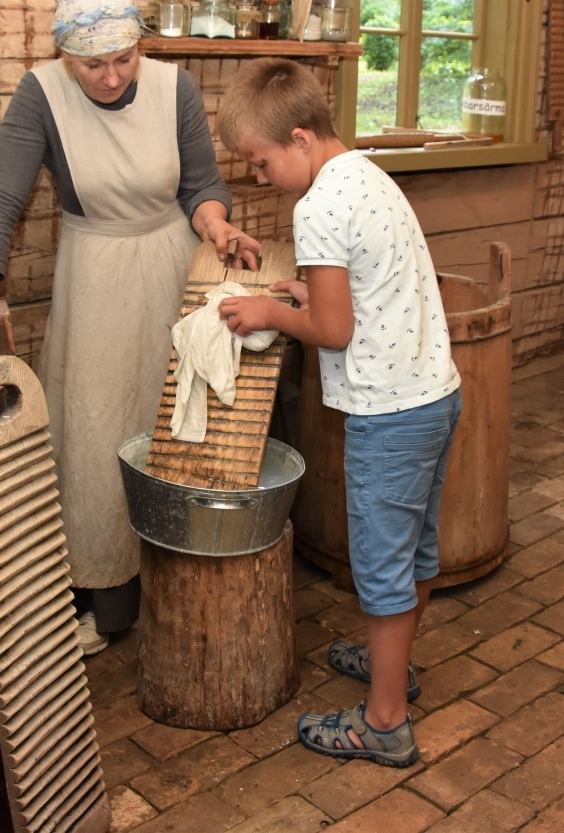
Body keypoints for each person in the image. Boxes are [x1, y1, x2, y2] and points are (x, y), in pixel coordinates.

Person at [0, 0, 260, 655]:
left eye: (123, 58)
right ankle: (107, 596)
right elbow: (0, 200)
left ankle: (178, 574)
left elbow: (200, 186)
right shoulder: (39, 95)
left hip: (172, 264)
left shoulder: (175, 88)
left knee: (174, 423)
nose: (110, 77)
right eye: (92, 64)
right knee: (99, 435)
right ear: (64, 56)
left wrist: (217, 228)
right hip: (96, 274)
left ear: (141, 44)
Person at [216, 58, 461, 767]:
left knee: (381, 567)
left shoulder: (318, 205)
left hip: (388, 414)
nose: (260, 179)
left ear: (297, 138)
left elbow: (334, 330)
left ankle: (384, 721)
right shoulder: (366, 173)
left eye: (261, 164)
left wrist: (267, 308)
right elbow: (361, 285)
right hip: (434, 394)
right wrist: (308, 291)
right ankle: (395, 667)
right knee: (412, 551)